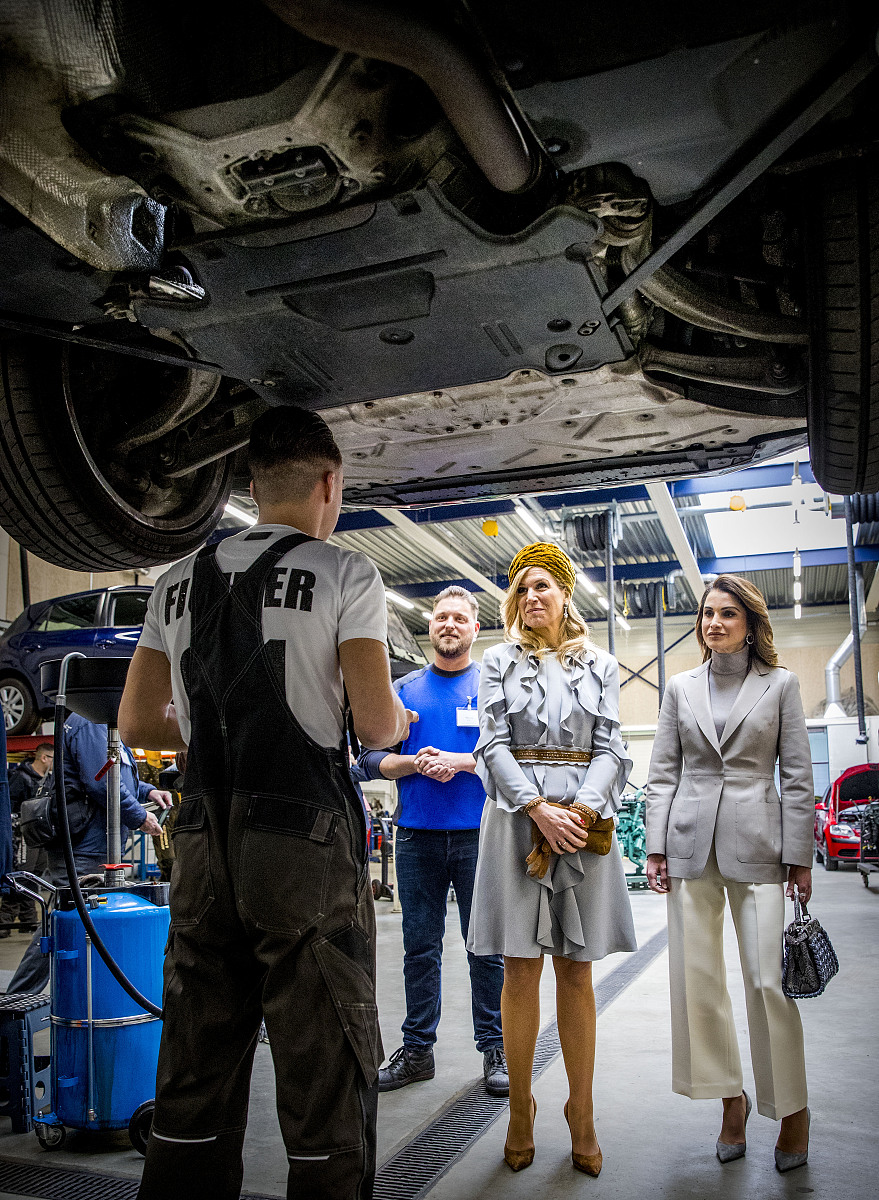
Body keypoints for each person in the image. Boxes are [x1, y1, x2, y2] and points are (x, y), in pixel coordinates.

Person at [118, 407, 416, 1200]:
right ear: (328, 483)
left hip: (203, 839)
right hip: (302, 846)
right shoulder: (346, 573)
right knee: (324, 1062)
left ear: (251, 486)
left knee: (195, 1058)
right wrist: (397, 719)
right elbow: (378, 722)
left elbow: (139, 722)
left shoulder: (175, 581)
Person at [467, 543, 636, 1176]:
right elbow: (491, 741)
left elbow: (613, 747)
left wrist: (582, 813)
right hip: (517, 824)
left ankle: (581, 1112)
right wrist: (538, 808)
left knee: (577, 970)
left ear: (566, 594)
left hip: (584, 829)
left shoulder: (602, 663)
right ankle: (519, 1109)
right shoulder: (496, 661)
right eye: (521, 589)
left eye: (543, 586)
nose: (531, 597)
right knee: (518, 970)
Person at [645, 574, 814, 1173]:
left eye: (727, 614)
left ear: (750, 623)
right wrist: (656, 847)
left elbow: (796, 776)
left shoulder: (781, 685)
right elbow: (663, 773)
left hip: (761, 846)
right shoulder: (679, 687)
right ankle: (729, 1101)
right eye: (707, 614)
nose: (714, 623)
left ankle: (790, 1108)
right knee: (700, 984)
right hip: (691, 846)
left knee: (768, 979)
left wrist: (801, 857)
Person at [358, 586, 507, 1097]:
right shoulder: (403, 690)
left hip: (479, 837)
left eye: (458, 618)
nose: (448, 625)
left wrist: (461, 761)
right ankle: (418, 1051)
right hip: (417, 837)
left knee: (485, 948)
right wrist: (414, 762)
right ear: (431, 626)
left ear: (474, 627)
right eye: (440, 617)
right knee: (419, 949)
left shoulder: (493, 688)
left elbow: (510, 755)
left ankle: (495, 1050)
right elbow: (370, 760)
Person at [6, 717, 168, 993]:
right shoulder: (90, 723)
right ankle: (15, 1004)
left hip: (95, 845)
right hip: (82, 848)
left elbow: (119, 777)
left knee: (75, 924)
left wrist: (148, 790)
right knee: (60, 924)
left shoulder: (108, 727)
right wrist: (140, 816)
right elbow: (102, 782)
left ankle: (88, 997)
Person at [3, 742, 54, 934]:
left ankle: (28, 918)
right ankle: (6, 919)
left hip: (41, 835)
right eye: (52, 758)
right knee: (22, 875)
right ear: (43, 757)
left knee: (35, 875)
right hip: (23, 835)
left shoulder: (48, 781)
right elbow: (10, 806)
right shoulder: (21, 778)